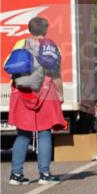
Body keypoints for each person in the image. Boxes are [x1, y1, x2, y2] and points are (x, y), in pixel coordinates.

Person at [6, 16, 64, 185]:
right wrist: (60, 94)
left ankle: (16, 175)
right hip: (45, 91)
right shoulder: (51, 46)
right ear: (45, 30)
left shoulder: (19, 44)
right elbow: (56, 73)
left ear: (29, 29)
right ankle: (44, 174)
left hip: (22, 91)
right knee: (44, 132)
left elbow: (8, 66)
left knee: (23, 134)